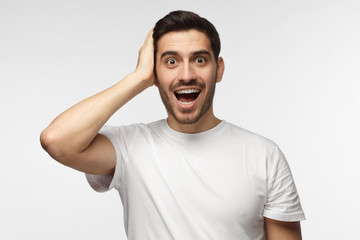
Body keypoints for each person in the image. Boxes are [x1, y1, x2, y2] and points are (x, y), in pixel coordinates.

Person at [40, 10, 305, 240]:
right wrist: (137, 78)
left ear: (219, 69)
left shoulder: (264, 155)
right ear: (155, 72)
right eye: (171, 62)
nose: (187, 74)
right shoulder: (128, 147)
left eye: (200, 60)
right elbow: (56, 140)